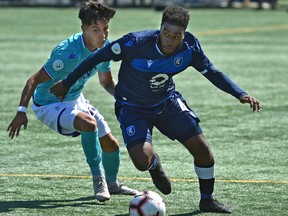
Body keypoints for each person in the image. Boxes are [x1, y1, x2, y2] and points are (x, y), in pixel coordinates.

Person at [50, 5, 262, 213]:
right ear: (159, 29)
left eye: (175, 36)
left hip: (166, 102)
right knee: (142, 161)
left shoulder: (190, 48)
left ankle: (207, 200)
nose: (170, 40)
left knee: (203, 150)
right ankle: (154, 166)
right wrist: (67, 83)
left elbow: (212, 72)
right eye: (166, 34)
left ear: (184, 34)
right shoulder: (135, 42)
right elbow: (97, 57)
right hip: (132, 107)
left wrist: (240, 93)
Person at [7, 0, 138, 202]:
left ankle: (113, 185)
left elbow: (106, 81)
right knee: (89, 124)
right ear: (83, 29)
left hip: (76, 99)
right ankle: (98, 180)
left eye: (105, 29)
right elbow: (33, 80)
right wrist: (21, 111)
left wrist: (127, 98)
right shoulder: (66, 53)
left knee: (111, 144)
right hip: (49, 104)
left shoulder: (105, 49)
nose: (102, 35)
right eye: (96, 30)